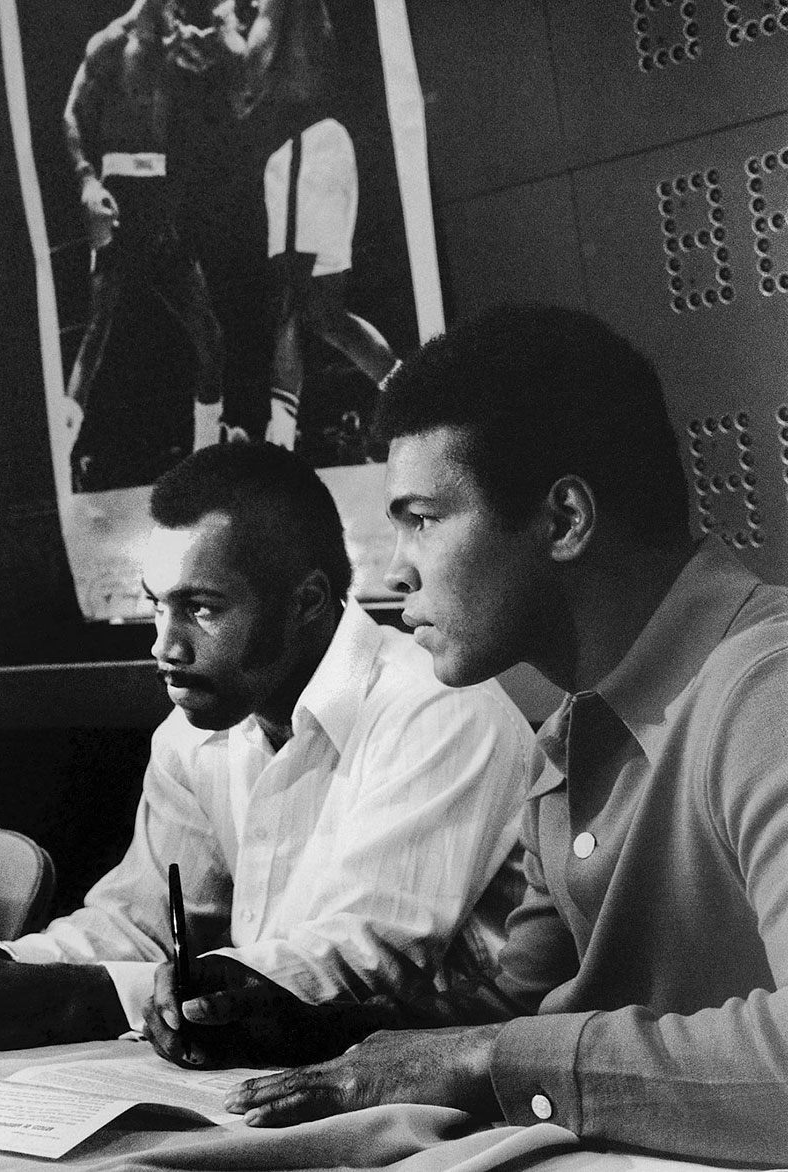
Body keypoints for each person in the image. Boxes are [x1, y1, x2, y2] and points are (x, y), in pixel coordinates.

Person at [147, 304, 788, 1165]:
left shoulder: (768, 692)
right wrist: (305, 1028)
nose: (392, 569)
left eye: (422, 518)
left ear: (563, 521)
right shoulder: (574, 729)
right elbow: (513, 1011)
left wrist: (483, 1058)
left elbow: (501, 1050)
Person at [0, 441, 533, 1056]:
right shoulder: (193, 733)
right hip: (273, 1073)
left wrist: (67, 995)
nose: (164, 647)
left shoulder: (436, 709)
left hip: (444, 1082)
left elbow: (357, 965)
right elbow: (137, 926)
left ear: (308, 602)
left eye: (201, 608)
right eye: (157, 606)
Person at [211, 0, 400, 449]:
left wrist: (224, 33)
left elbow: (250, 76)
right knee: (324, 314)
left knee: (290, 300)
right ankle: (411, 400)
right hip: (321, 148)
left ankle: (280, 442)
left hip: (305, 151)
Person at [63, 0, 225, 490]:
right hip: (120, 193)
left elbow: (220, 62)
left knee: (211, 339)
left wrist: (214, 38)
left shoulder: (175, 39)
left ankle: (207, 464)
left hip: (161, 198)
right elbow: (71, 115)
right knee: (97, 334)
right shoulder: (112, 41)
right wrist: (88, 180)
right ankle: (61, 454)